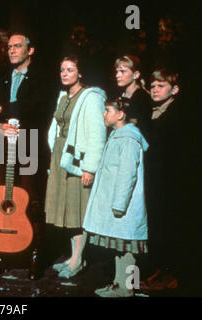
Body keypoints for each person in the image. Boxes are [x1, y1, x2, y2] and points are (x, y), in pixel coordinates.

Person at [0, 31, 54, 279]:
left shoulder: (41, 78)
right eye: (9, 47)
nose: (12, 50)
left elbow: (36, 107)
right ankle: (4, 251)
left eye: (17, 46)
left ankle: (35, 254)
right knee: (4, 197)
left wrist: (2, 109)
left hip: (30, 146)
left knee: (31, 200)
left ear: (30, 50)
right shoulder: (3, 79)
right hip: (5, 148)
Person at [46, 55, 106, 279]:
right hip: (60, 157)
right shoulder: (63, 96)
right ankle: (73, 256)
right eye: (62, 69)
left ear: (80, 73)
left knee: (78, 209)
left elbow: (96, 134)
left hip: (77, 160)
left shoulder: (90, 97)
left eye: (70, 69)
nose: (64, 73)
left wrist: (90, 167)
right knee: (67, 210)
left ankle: (79, 259)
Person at [83, 99, 149, 297]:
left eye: (108, 110)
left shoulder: (128, 139)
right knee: (120, 246)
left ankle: (127, 288)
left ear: (120, 115)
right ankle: (120, 284)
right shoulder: (117, 136)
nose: (104, 114)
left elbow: (127, 174)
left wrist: (119, 204)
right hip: (115, 203)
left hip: (124, 205)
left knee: (128, 247)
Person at [143, 68, 182, 289]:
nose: (155, 90)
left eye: (161, 86)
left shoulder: (175, 115)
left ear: (174, 89)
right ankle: (159, 270)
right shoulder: (154, 110)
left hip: (169, 182)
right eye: (153, 86)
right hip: (156, 179)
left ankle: (168, 275)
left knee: (167, 226)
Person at [114, 55, 152, 141]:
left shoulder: (142, 97)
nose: (117, 75)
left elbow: (136, 126)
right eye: (117, 72)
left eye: (123, 71)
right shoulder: (120, 95)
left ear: (135, 75)